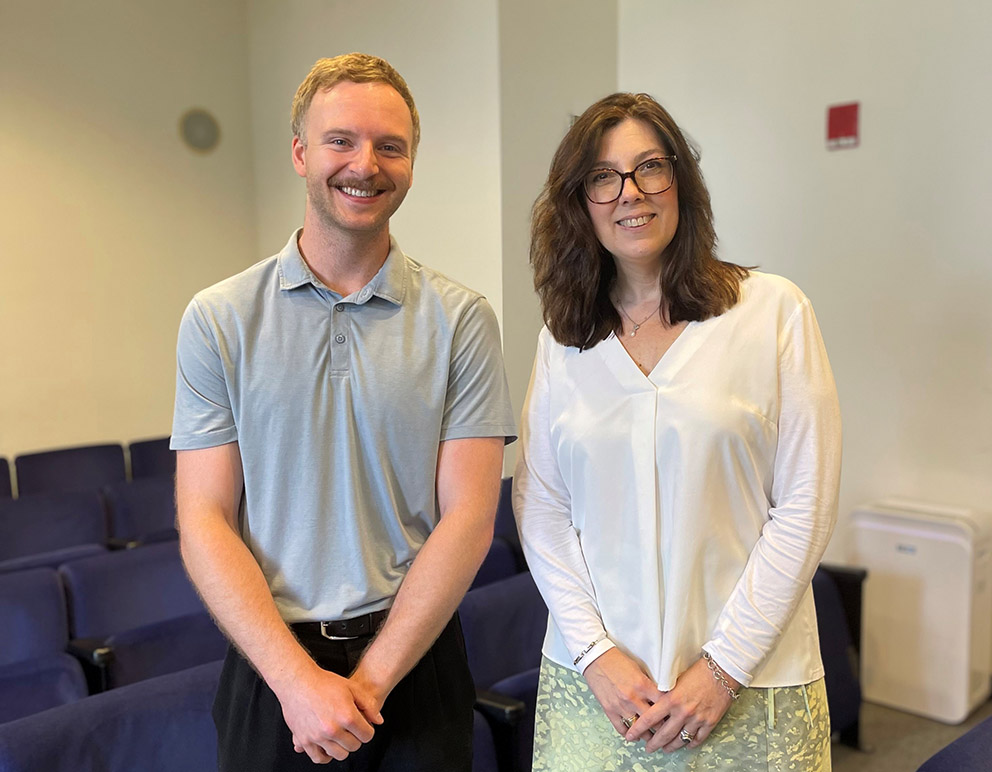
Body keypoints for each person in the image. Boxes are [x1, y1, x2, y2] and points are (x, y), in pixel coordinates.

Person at [171, 53, 516, 772]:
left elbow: (470, 519)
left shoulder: (463, 320)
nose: (367, 163)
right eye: (341, 140)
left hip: (415, 663)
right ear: (300, 153)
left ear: (412, 163)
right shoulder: (218, 319)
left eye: (391, 146)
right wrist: (298, 683)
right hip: (272, 667)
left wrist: (370, 683)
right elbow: (204, 518)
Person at [513, 92, 841, 771]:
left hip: (751, 682)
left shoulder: (772, 311)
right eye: (604, 177)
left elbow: (805, 505)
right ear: (580, 202)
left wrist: (723, 667)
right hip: (601, 691)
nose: (629, 193)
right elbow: (542, 510)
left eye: (649, 167)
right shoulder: (564, 342)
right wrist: (596, 654)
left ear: (681, 182)